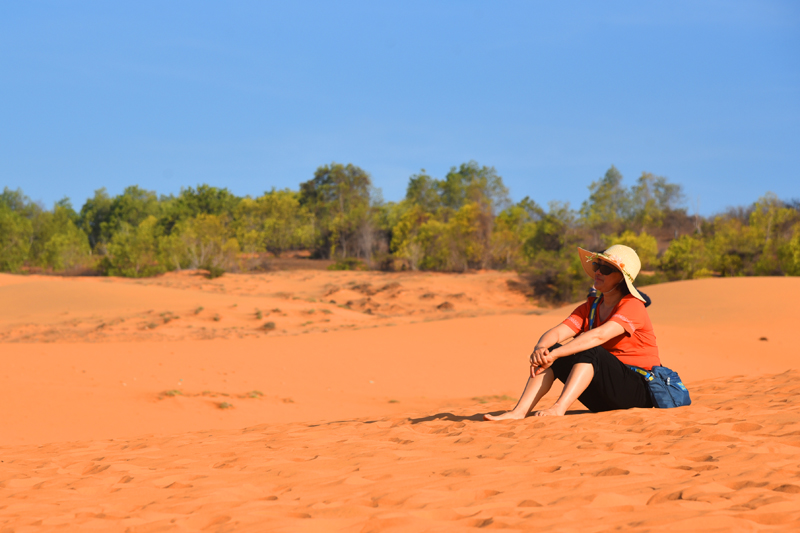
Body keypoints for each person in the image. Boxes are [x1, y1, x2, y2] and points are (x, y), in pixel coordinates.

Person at [485, 244, 660, 420]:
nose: (598, 272)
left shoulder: (633, 305)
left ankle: (558, 408)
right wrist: (541, 348)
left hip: (637, 392)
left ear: (622, 279)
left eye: (606, 269)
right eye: (596, 266)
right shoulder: (590, 308)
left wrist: (557, 353)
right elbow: (557, 332)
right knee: (550, 351)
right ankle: (519, 412)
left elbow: (600, 336)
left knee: (591, 350)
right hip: (605, 395)